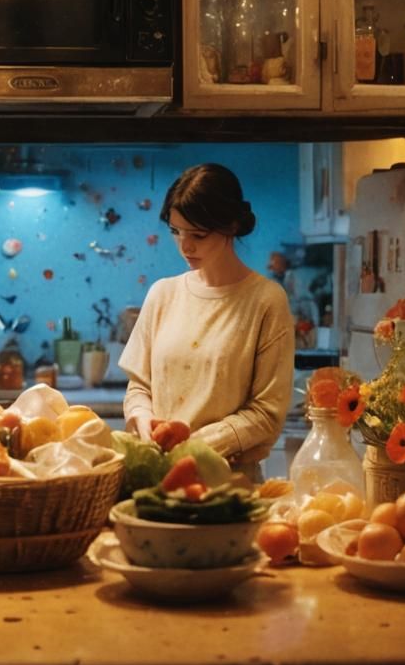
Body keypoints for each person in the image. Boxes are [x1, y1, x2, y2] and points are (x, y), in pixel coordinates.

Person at [119, 163, 294, 481]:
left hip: (228, 483)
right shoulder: (163, 294)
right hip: (157, 479)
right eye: (176, 232)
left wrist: (193, 446)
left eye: (198, 235)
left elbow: (266, 414)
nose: (185, 246)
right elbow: (139, 387)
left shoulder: (266, 300)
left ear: (231, 225)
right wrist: (143, 421)